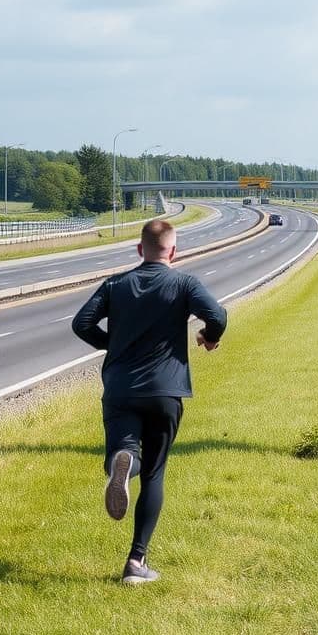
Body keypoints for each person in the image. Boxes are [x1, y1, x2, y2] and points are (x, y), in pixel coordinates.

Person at [71, 217, 227, 586]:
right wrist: (209, 335)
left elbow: (82, 324)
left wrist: (115, 344)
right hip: (165, 390)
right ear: (173, 250)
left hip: (121, 389)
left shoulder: (115, 284)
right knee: (155, 473)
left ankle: (123, 463)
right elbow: (217, 315)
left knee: (124, 450)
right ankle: (136, 562)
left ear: (140, 249)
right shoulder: (184, 282)